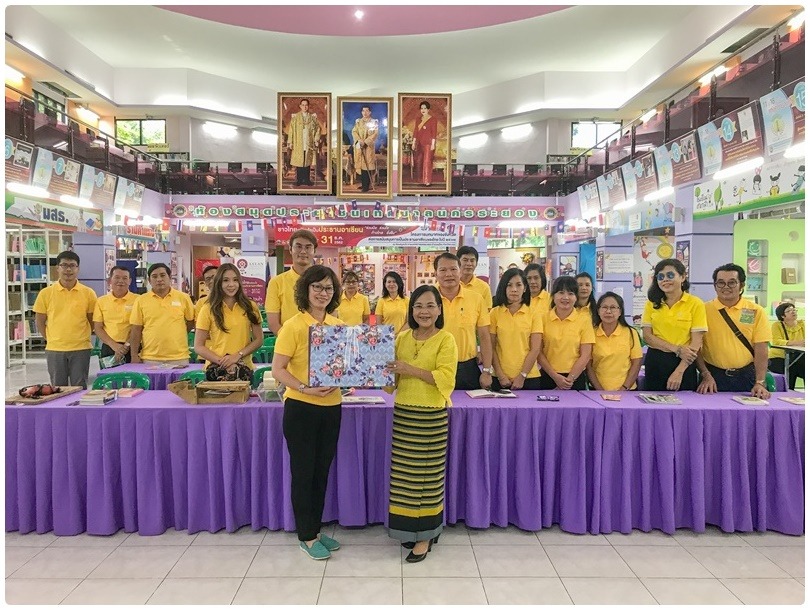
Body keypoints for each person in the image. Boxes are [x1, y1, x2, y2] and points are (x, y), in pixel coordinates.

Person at [272, 265, 344, 561]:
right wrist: (305, 388)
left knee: (321, 472)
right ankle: (306, 536)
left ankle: (314, 529)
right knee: (303, 473)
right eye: (317, 287)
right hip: (301, 408)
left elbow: (344, 366)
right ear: (306, 290)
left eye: (328, 288)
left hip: (332, 408)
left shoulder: (339, 326)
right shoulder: (293, 326)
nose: (323, 293)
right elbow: (278, 369)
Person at [386, 285, 457, 563]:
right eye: (418, 306)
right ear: (411, 310)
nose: (424, 311)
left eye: (430, 306)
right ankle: (408, 529)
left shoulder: (446, 340)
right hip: (404, 414)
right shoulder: (402, 338)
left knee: (428, 479)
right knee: (405, 479)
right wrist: (377, 371)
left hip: (431, 417)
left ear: (439, 310)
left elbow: (445, 378)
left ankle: (425, 536)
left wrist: (409, 369)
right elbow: (392, 379)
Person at [697, 263, 772, 398]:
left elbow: (761, 348)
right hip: (712, 377)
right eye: (721, 283)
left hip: (747, 376)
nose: (726, 287)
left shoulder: (756, 311)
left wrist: (760, 382)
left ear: (741, 285)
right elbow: (695, 346)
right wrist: (705, 374)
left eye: (732, 283)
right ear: (715, 286)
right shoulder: (702, 310)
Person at [33, 251, 97, 388]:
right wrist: (50, 338)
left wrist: (82, 336)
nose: (68, 269)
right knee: (57, 388)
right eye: (64, 265)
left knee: (79, 387)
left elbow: (92, 321)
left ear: (78, 269)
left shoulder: (88, 293)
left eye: (72, 265)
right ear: (57, 268)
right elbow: (40, 321)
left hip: (81, 348)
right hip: (55, 349)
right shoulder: (46, 293)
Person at [641, 258, 706, 391]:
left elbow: (696, 343)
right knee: (653, 401)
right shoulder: (651, 304)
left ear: (682, 277)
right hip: (656, 360)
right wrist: (676, 349)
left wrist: (679, 371)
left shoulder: (695, 303)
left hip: (684, 362)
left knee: (684, 401)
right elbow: (647, 337)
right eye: (660, 277)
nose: (665, 280)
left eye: (670, 275)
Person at [434, 253, 494, 390]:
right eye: (443, 270)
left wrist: (486, 371)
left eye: (453, 269)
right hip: (434, 367)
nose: (449, 274)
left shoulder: (476, 299)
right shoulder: (427, 298)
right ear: (435, 274)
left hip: (467, 368)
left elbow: (484, 337)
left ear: (460, 271)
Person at [194, 264, 263, 375]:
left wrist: (238, 355)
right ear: (218, 283)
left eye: (235, 280)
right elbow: (198, 346)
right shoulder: (207, 308)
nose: (231, 284)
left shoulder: (251, 306)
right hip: (216, 370)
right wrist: (224, 362)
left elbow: (259, 340)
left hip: (244, 368)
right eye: (225, 280)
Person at [129, 263, 195, 365]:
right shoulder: (141, 300)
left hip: (179, 357)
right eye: (154, 276)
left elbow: (191, 321)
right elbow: (136, 329)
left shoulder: (183, 298)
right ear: (149, 280)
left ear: (170, 277)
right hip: (150, 358)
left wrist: (176, 333)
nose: (159, 279)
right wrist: (134, 355)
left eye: (163, 275)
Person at [537, 276, 595, 390]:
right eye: (561, 293)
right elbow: (538, 351)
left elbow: (586, 355)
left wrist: (569, 380)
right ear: (553, 296)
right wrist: (555, 377)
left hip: (575, 378)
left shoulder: (584, 320)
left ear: (576, 297)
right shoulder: (543, 319)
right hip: (548, 376)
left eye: (570, 293)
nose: (566, 297)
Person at [489, 268, 543, 390]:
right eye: (509, 285)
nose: (514, 289)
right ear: (504, 288)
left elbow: (535, 349)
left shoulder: (534, 314)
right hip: (499, 377)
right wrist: (501, 375)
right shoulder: (494, 313)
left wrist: (522, 376)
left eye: (518, 285)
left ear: (525, 288)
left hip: (529, 377)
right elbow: (491, 347)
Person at [587, 292, 643, 391]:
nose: (608, 311)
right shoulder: (591, 333)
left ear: (620, 311)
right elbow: (588, 365)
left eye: (613, 307)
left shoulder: (631, 333)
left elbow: (636, 363)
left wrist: (624, 388)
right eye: (604, 307)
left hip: (626, 391)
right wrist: (599, 390)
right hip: (597, 390)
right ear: (598, 311)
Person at [265, 229, 318, 333]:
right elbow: (273, 323)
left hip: (320, 341)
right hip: (287, 340)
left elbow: (332, 315)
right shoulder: (276, 283)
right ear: (290, 249)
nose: (303, 251)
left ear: (314, 251)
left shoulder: (324, 281)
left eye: (308, 247)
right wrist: (290, 340)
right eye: (298, 246)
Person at [93, 265, 137, 366]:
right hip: (109, 347)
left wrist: (126, 346)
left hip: (133, 348)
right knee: (109, 376)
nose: (121, 281)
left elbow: (139, 327)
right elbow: (98, 328)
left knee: (133, 375)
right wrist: (114, 346)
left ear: (130, 281)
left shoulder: (138, 300)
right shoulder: (101, 301)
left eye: (125, 278)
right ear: (110, 280)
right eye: (117, 277)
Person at [768, 302, 805, 390]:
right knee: (790, 370)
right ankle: (789, 392)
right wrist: (796, 343)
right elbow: (777, 341)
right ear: (782, 316)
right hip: (779, 356)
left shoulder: (802, 324)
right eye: (789, 311)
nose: (793, 312)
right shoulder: (777, 325)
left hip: (799, 356)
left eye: (794, 310)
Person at [287, 98, 321, 187]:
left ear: (308, 106)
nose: (304, 107)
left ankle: (306, 180)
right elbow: (291, 130)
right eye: (303, 105)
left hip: (308, 142)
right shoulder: (295, 118)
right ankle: (299, 180)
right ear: (300, 106)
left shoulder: (312, 118)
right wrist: (290, 142)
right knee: (299, 162)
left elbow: (318, 129)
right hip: (298, 142)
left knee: (307, 162)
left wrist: (316, 139)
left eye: (306, 105)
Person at [352, 104, 379, 192]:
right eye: (363, 111)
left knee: (367, 166)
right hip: (360, 146)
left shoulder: (374, 122)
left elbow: (375, 134)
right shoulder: (358, 122)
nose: (365, 112)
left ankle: (366, 186)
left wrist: (366, 142)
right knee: (361, 166)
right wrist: (359, 140)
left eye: (367, 111)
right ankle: (364, 184)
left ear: (370, 112)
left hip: (368, 147)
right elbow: (354, 131)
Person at [457, 245, 493, 310]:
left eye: (472, 260)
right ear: (457, 262)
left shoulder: (484, 287)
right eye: (465, 260)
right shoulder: (450, 284)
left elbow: (487, 312)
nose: (469, 264)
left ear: (476, 264)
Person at [413, 101, 438, 186]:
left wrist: (433, 144)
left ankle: (427, 181)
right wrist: (413, 143)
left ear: (428, 109)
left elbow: (434, 133)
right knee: (419, 161)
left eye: (425, 108)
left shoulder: (433, 119)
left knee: (427, 162)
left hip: (428, 144)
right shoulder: (418, 119)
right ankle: (420, 180)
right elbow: (415, 131)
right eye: (421, 108)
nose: (423, 110)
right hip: (419, 143)